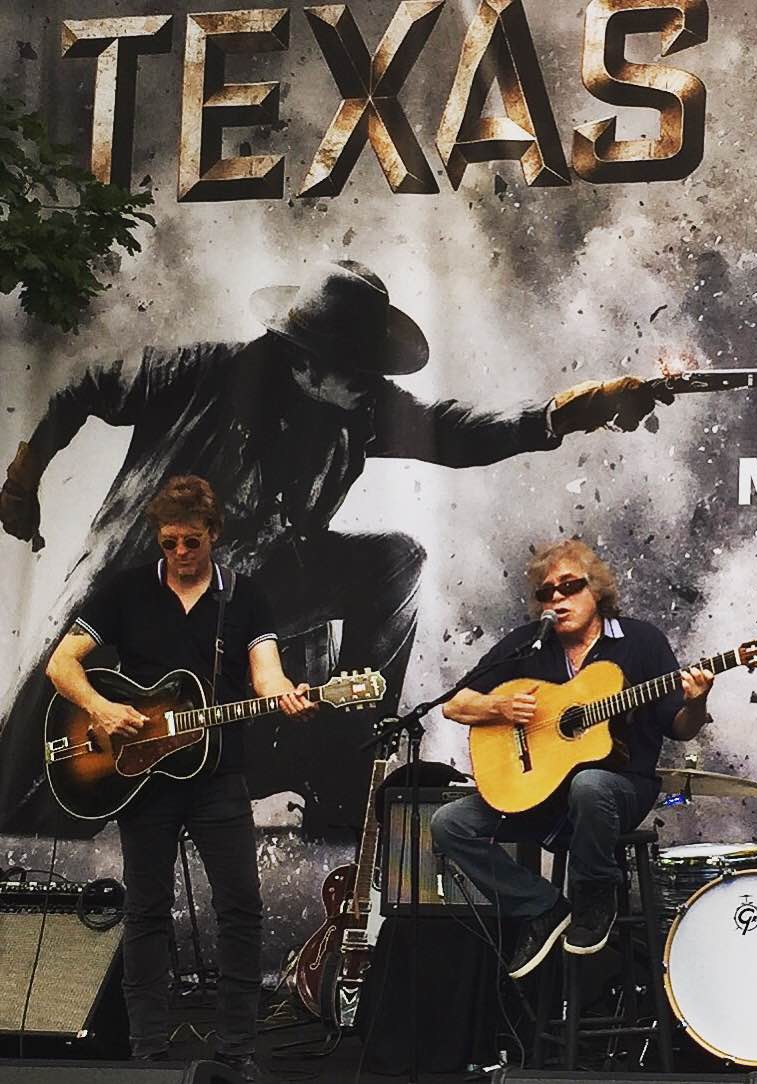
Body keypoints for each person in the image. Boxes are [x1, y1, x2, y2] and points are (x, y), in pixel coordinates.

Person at [0, 259, 671, 835]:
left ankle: (341, 762)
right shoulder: (200, 372)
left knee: (397, 561)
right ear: (302, 358)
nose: (370, 386)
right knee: (38, 750)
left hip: (256, 591)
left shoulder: (362, 410)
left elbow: (460, 433)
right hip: (139, 582)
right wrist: (22, 482)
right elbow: (80, 388)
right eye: (356, 372)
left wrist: (572, 411)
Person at [44, 475, 316, 1079]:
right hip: (142, 777)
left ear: (213, 535)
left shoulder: (243, 598)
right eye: (168, 543)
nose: (179, 554)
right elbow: (62, 664)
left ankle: (236, 1049)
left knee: (241, 905)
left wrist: (288, 695)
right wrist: (101, 708)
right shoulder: (125, 592)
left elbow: (265, 676)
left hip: (218, 775)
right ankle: (147, 1051)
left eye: (191, 541)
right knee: (146, 910)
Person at [431, 539, 714, 979]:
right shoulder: (530, 644)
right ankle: (543, 907)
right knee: (449, 824)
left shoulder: (641, 641)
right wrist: (499, 709)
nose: (558, 599)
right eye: (547, 593)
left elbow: (679, 726)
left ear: (596, 589)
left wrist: (696, 702)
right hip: (544, 792)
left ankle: (594, 893)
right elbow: (454, 703)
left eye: (569, 587)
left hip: (619, 789)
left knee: (590, 784)